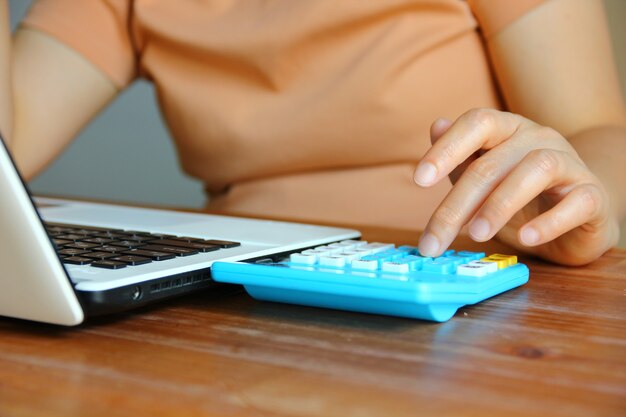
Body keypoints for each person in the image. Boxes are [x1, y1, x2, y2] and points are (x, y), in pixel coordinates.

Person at [1, 0, 625, 266]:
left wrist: (570, 198)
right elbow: (12, 137)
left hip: (462, 290)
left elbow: (597, 128)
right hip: (239, 305)